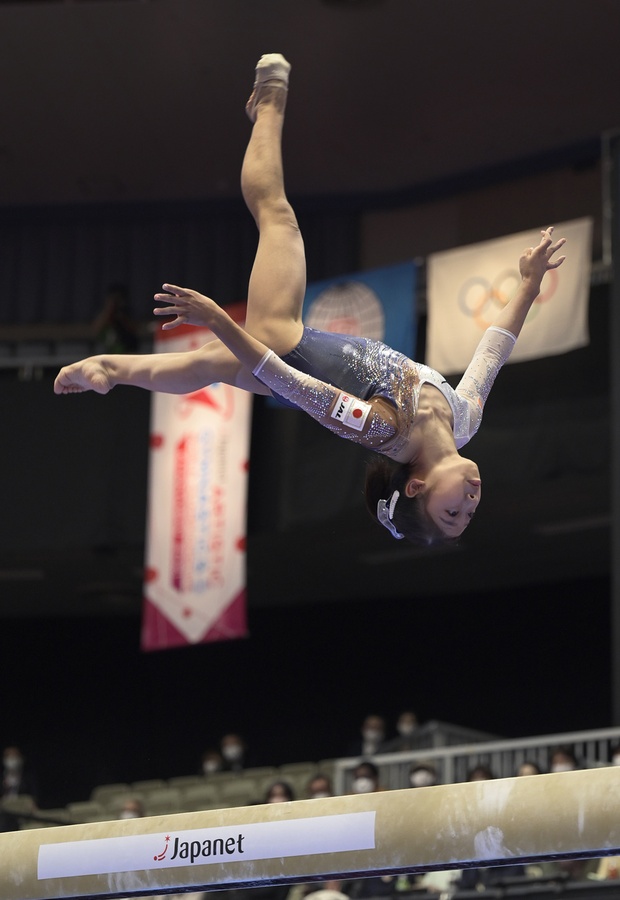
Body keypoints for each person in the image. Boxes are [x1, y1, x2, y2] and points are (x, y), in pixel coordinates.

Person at [54, 54, 567, 546]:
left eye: (452, 512)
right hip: (272, 354)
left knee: (277, 217)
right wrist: (527, 282)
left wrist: (218, 318)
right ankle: (107, 368)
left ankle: (269, 105)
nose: (470, 503)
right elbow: (493, 351)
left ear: (416, 487)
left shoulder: (384, 431)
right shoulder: (465, 419)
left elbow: (293, 385)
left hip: (280, 343)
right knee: (209, 365)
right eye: (468, 515)